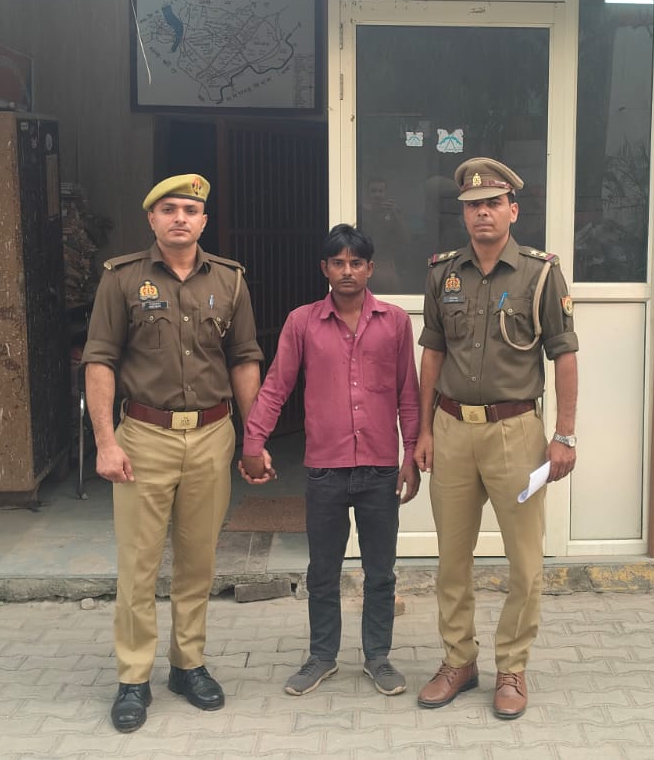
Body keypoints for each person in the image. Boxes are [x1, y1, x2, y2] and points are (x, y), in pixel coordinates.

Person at [82, 173, 263, 734]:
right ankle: (133, 677)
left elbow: (244, 358)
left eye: (190, 209)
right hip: (144, 435)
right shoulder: (121, 279)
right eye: (169, 209)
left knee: (197, 560)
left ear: (204, 220)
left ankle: (189, 665)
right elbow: (100, 360)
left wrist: (253, 436)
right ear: (152, 219)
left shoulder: (230, 280)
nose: (180, 218)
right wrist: (105, 441)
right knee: (139, 564)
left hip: (212, 434)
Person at [413, 157, 579, 721]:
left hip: (517, 434)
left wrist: (565, 435)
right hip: (452, 430)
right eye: (472, 206)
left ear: (513, 210)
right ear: (462, 213)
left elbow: (564, 355)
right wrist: (422, 430)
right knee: (451, 560)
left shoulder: (540, 274)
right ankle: (458, 662)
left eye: (492, 204)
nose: (481, 213)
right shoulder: (442, 273)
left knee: (524, 563)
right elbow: (432, 353)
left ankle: (512, 667)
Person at [240, 224, 421, 698]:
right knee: (323, 570)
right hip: (325, 468)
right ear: (324, 268)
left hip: (380, 468)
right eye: (337, 263)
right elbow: (277, 386)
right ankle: (322, 656)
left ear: (370, 268)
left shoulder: (395, 322)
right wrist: (253, 442)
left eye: (356, 263)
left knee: (380, 571)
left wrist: (410, 455)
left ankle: (378, 657)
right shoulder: (302, 322)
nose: (347, 271)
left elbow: (409, 394)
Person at [359, 178, 412, 294]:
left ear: (385, 193)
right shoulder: (360, 213)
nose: (377, 195)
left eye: (380, 191)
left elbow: (406, 239)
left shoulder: (392, 213)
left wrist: (395, 214)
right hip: (364, 262)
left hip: (387, 263)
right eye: (373, 191)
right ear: (368, 193)